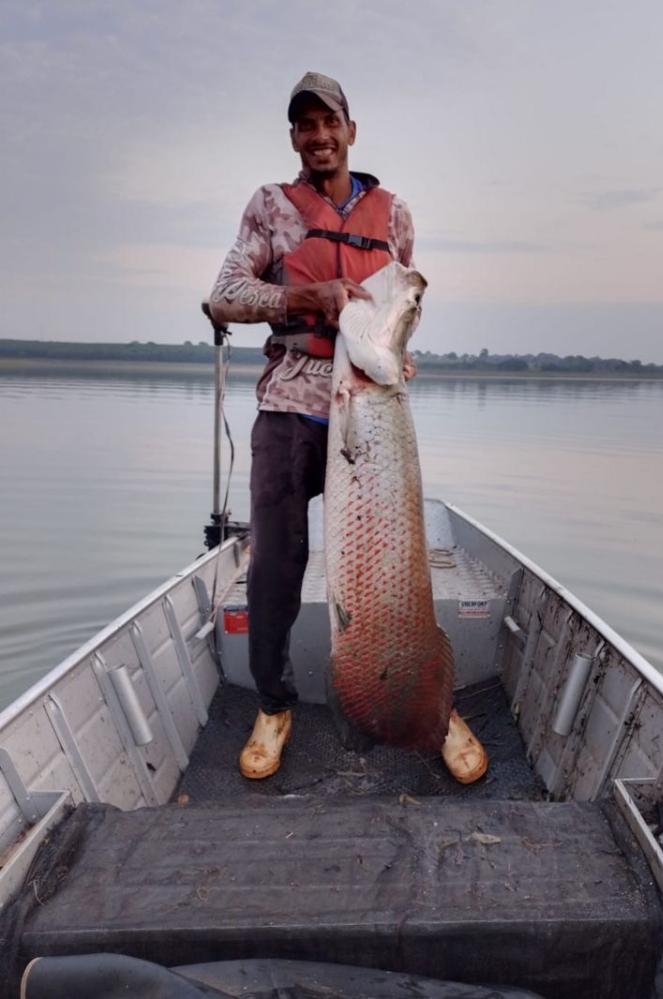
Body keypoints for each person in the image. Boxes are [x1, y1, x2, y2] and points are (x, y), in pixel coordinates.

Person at [206, 72, 488, 785]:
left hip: (374, 410)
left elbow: (400, 302)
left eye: (330, 122)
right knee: (274, 564)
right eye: (305, 126)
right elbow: (225, 295)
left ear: (351, 131)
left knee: (400, 567)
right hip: (291, 404)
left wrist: (397, 348)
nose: (320, 136)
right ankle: (274, 704)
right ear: (295, 138)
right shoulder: (269, 206)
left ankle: (431, 701)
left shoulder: (393, 216)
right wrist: (308, 294)